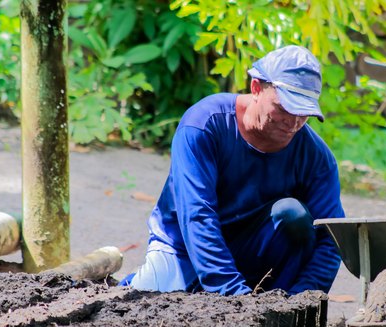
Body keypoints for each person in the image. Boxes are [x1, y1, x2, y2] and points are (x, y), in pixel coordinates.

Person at [122, 45, 345, 295]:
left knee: (292, 215)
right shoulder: (203, 125)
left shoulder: (317, 159)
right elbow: (197, 216)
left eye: (304, 113)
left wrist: (302, 298)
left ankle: (274, 303)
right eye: (284, 108)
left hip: (253, 252)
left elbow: (332, 238)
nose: (293, 122)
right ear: (256, 88)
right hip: (184, 247)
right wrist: (234, 295)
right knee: (138, 302)